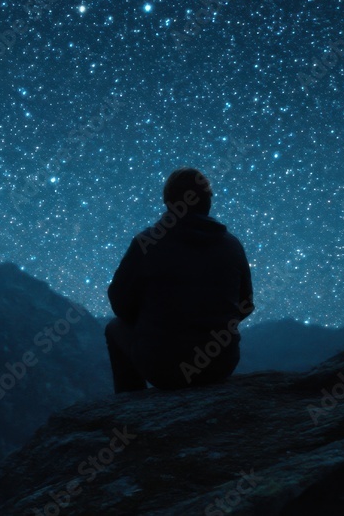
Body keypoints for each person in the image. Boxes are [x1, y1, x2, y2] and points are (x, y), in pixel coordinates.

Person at [104, 167, 253, 392]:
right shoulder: (231, 245)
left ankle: (129, 406)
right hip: (220, 363)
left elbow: (119, 302)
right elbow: (246, 304)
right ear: (207, 202)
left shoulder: (146, 244)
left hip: (164, 367)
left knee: (115, 328)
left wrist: (150, 321)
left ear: (168, 202)